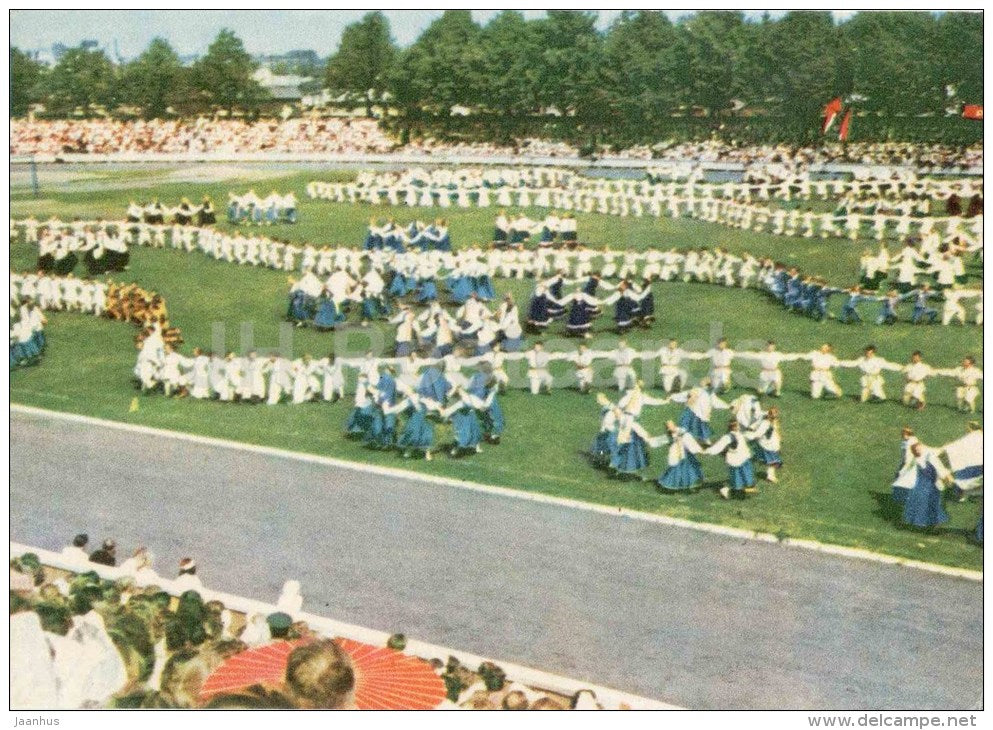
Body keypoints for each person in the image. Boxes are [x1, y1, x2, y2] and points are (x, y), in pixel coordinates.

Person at [902, 442, 951, 529]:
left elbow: (937, 457)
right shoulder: (919, 459)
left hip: (930, 484)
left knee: (932, 503)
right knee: (921, 503)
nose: (919, 449)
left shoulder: (928, 455)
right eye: (917, 449)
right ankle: (921, 523)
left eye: (919, 448)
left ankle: (932, 523)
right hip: (923, 484)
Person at [705, 421, 757, 499]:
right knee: (737, 482)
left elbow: (752, 436)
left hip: (744, 459)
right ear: (732, 427)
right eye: (735, 426)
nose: (737, 427)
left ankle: (744, 489)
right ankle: (726, 490)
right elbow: (718, 447)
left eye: (737, 426)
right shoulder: (728, 437)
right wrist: (707, 451)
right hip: (735, 460)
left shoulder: (740, 434)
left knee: (747, 478)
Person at [656, 421, 705, 491]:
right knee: (676, 469)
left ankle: (690, 484)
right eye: (668, 427)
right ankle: (677, 484)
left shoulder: (682, 432)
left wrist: (699, 450)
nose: (670, 428)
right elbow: (663, 440)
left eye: (671, 426)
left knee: (690, 469)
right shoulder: (670, 435)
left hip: (686, 454)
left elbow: (689, 441)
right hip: (677, 454)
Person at [746, 406, 782, 483]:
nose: (774, 416)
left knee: (772, 461)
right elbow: (758, 433)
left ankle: (769, 475)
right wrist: (748, 434)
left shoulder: (771, 421)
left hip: (771, 444)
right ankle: (770, 476)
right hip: (768, 446)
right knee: (772, 462)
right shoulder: (765, 424)